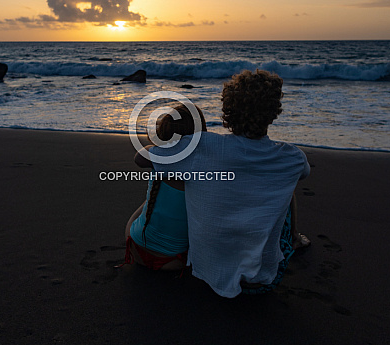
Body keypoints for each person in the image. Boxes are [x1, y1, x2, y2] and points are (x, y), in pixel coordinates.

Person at [135, 70, 310, 297]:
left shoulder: (200, 147)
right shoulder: (293, 157)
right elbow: (303, 173)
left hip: (207, 273)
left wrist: (158, 147)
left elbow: (141, 159)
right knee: (286, 187)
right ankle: (295, 238)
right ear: (274, 112)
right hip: (264, 279)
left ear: (227, 109)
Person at [124, 102, 207, 271]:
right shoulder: (202, 167)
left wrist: (164, 148)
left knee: (147, 203)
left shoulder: (158, 159)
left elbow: (139, 158)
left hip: (136, 249)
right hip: (173, 262)